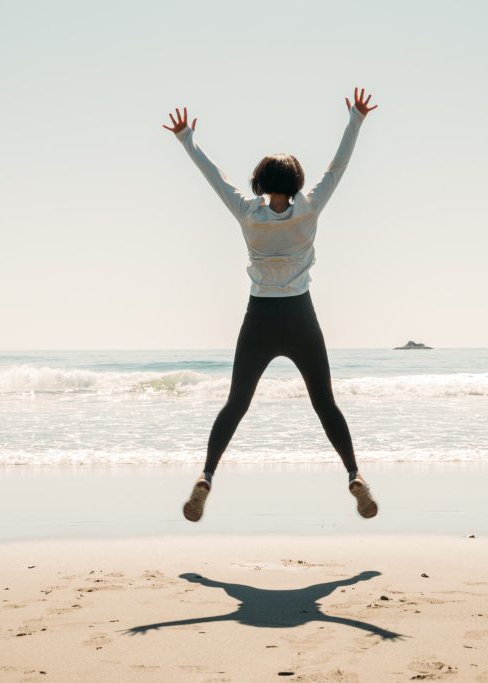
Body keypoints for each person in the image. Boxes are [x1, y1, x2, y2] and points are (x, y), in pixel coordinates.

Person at [162, 87, 379, 522]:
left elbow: (215, 178)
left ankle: (206, 477)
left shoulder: (247, 213)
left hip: (259, 318)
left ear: (260, 183)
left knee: (236, 403)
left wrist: (187, 140)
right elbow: (338, 167)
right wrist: (355, 120)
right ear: (296, 182)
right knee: (324, 402)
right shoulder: (310, 209)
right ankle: (354, 475)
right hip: (300, 316)